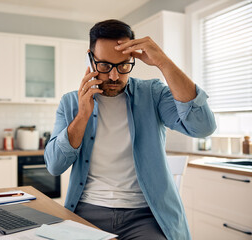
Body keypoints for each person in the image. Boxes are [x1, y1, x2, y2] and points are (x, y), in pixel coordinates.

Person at [44, 19, 216, 240]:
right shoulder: (71, 103)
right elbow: (54, 166)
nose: (114, 76)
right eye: (105, 66)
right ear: (90, 57)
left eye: (123, 66)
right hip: (88, 212)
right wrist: (82, 115)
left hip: (146, 216)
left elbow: (202, 127)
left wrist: (163, 62)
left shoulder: (152, 94)